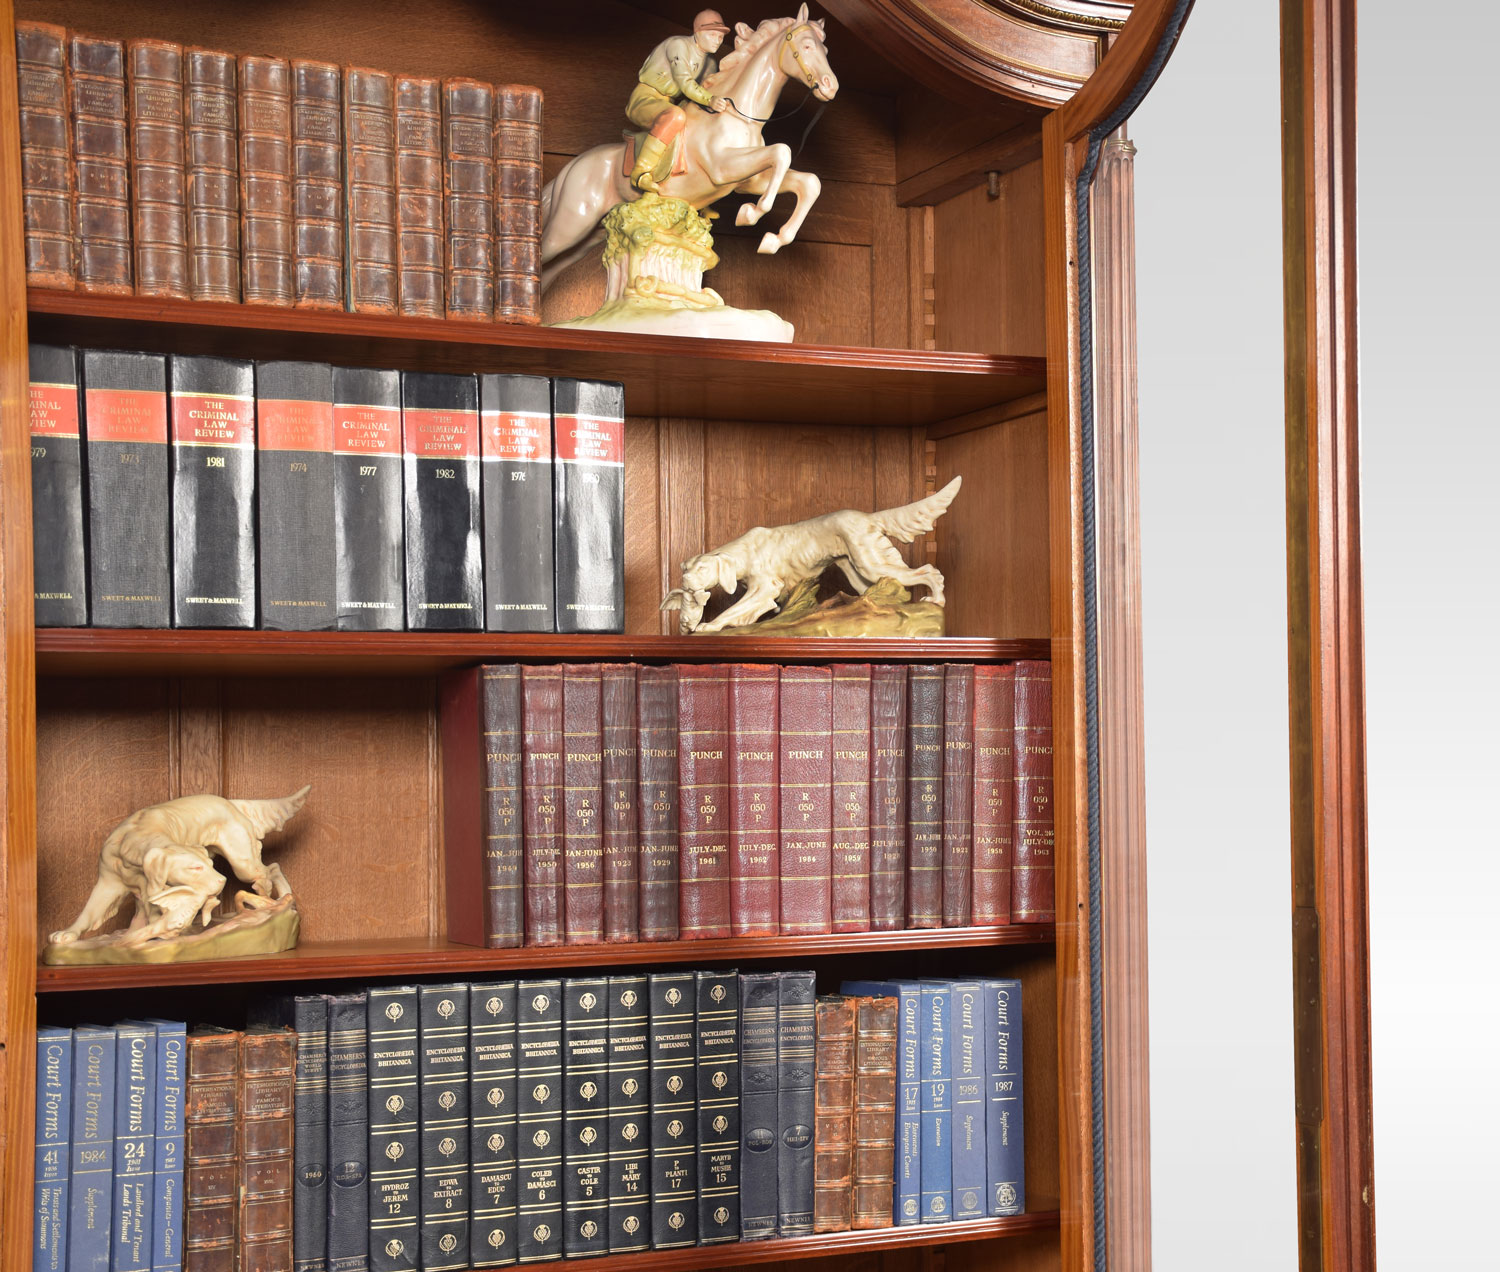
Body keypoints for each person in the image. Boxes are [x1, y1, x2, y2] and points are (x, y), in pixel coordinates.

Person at [625, 9, 732, 192]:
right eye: (712, 34)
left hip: (669, 103)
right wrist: (710, 99)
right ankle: (640, 172)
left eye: (721, 37)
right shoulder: (678, 45)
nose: (718, 40)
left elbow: (707, 90)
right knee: (675, 115)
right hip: (645, 98)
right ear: (697, 31)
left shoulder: (710, 64)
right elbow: (685, 82)